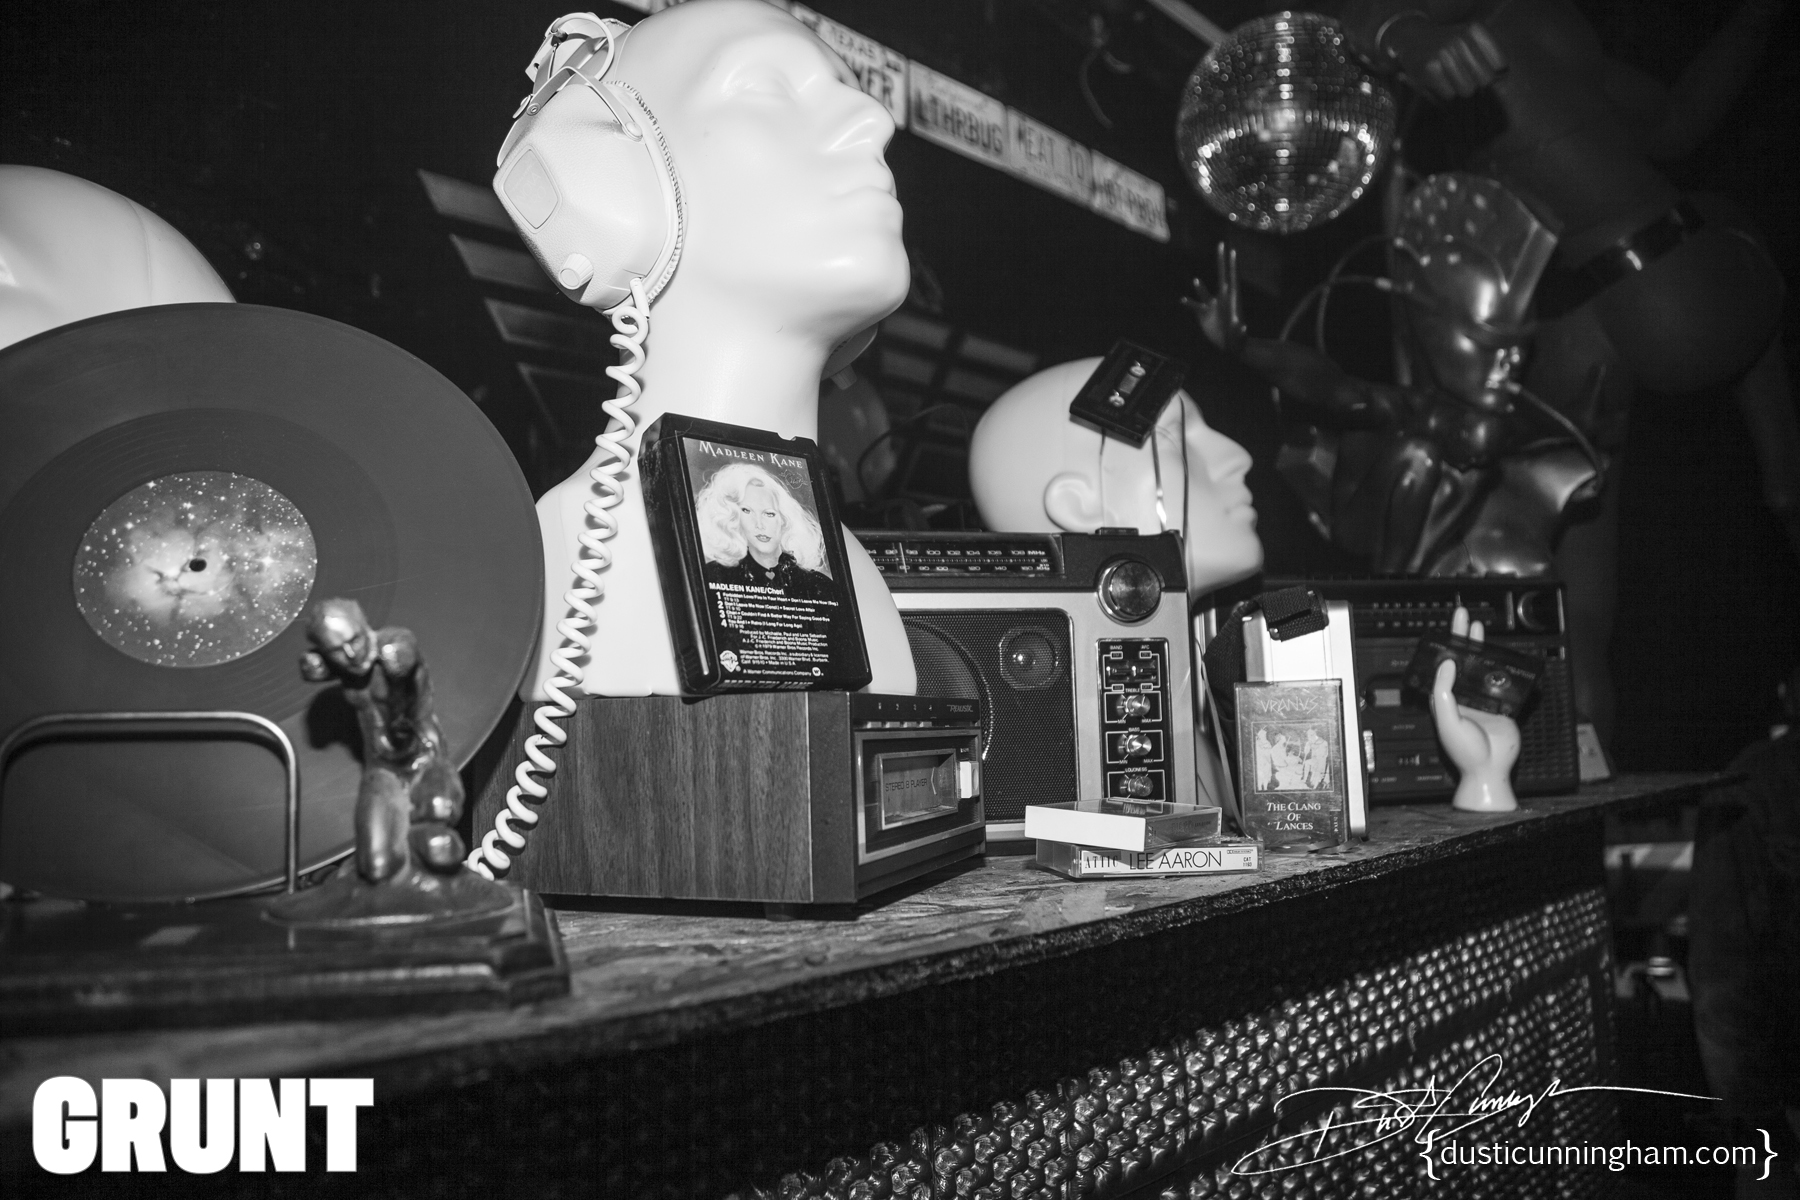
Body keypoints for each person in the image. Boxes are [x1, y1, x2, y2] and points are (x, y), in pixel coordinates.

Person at [511, 0, 916, 699]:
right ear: (603, 180)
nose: (873, 119)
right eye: (765, 87)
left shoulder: (850, 577)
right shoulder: (575, 554)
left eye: (852, 93)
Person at [696, 462, 833, 597]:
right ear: (733, 518)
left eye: (769, 514)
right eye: (747, 511)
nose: (759, 524)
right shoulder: (713, 576)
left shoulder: (819, 585)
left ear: (784, 520)